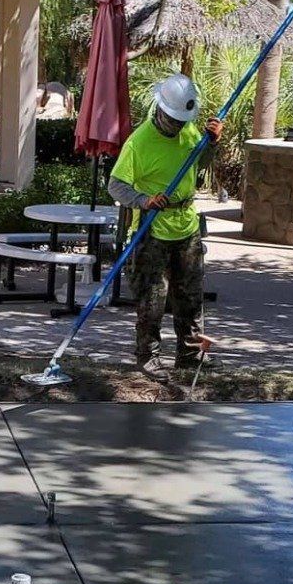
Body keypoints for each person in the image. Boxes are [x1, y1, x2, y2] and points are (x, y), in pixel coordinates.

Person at [107, 74, 222, 372]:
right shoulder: (139, 143)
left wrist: (211, 143)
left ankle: (191, 355)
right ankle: (148, 356)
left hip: (186, 226)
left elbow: (200, 163)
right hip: (153, 228)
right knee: (152, 299)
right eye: (174, 120)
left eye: (182, 121)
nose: (178, 126)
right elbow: (116, 185)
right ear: (160, 110)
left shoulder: (189, 132)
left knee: (190, 297)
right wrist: (143, 199)